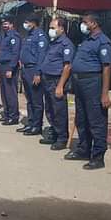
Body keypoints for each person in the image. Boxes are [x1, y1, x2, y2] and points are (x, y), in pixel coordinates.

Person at [64, 13, 111, 170]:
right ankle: (84, 149)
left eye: (84, 22)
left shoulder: (103, 42)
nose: (82, 25)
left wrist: (104, 93)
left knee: (96, 121)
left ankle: (98, 156)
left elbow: (107, 68)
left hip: (93, 82)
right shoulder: (86, 40)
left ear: (93, 23)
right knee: (81, 118)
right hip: (80, 83)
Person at [40, 17, 75, 151]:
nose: (50, 30)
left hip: (57, 81)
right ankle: (54, 133)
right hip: (47, 79)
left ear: (62, 28)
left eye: (53, 28)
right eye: (50, 28)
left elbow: (67, 67)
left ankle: (62, 138)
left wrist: (60, 85)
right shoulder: (53, 43)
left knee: (59, 110)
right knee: (49, 109)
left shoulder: (66, 44)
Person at [18, 14, 49, 136]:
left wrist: (38, 73)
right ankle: (30, 123)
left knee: (36, 100)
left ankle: (37, 125)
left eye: (27, 22)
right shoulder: (29, 36)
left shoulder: (40, 37)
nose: (25, 24)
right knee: (29, 99)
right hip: (26, 70)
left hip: (34, 70)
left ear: (34, 23)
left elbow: (41, 56)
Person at [0, 15, 21, 125]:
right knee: (4, 92)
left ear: (11, 25)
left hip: (9, 66)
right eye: (3, 24)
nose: (4, 26)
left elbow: (15, 53)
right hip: (2, 66)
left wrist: (11, 68)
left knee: (10, 92)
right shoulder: (5, 36)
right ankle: (6, 114)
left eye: (6, 24)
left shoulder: (14, 37)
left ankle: (13, 116)